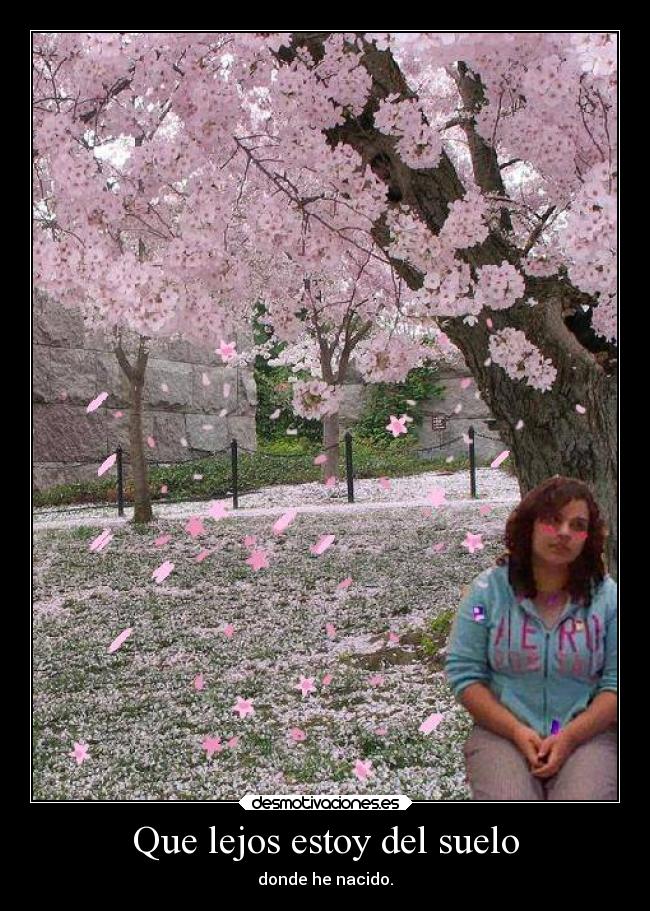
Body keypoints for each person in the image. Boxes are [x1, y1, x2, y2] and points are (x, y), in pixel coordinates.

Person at [445, 476, 617, 800]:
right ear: (531, 525)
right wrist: (515, 730)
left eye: (577, 525)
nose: (564, 532)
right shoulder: (488, 594)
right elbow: (464, 672)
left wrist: (568, 738)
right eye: (553, 520)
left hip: (587, 736)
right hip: (502, 734)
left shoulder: (606, 599)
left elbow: (615, 684)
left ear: (587, 537)